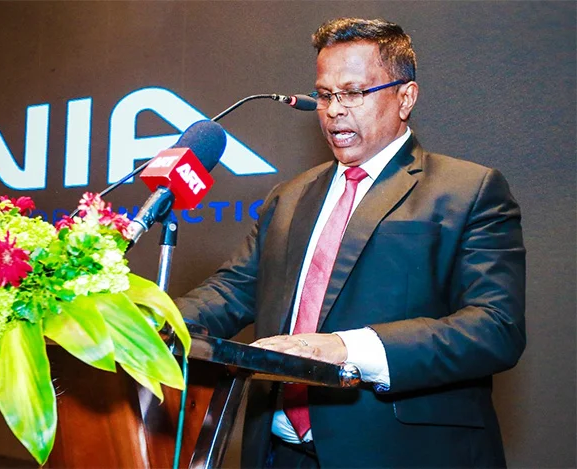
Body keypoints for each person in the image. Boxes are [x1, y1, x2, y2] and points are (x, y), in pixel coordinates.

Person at [175, 17, 525, 468]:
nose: (334, 110)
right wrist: (143, 323)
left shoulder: (467, 190)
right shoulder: (289, 196)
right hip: (281, 454)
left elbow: (495, 328)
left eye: (354, 92)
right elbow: (232, 290)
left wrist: (346, 349)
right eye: (324, 95)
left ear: (406, 97)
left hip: (402, 455)